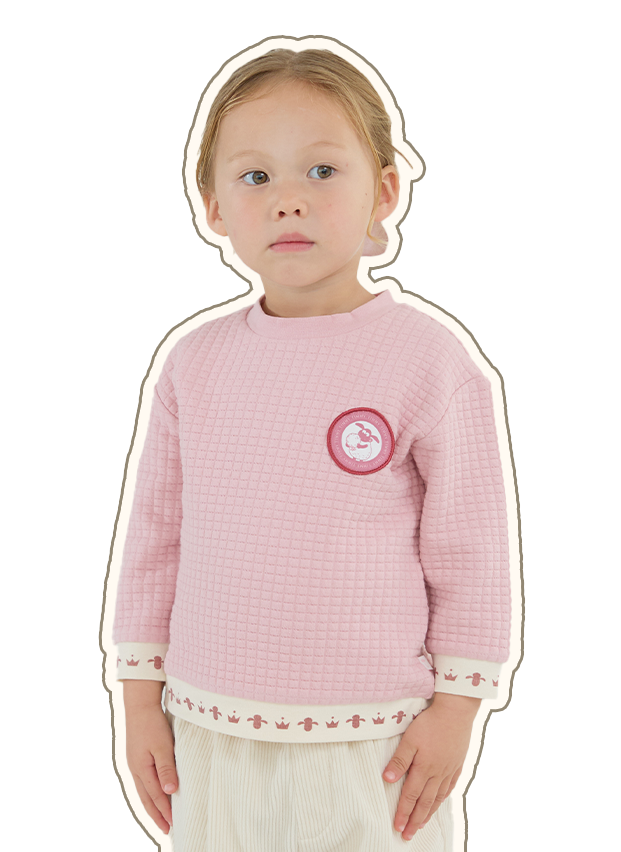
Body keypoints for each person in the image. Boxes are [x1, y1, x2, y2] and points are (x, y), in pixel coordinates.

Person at [110, 42, 513, 852]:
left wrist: (458, 709)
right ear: (213, 207)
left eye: (322, 171)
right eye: (255, 176)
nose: (288, 201)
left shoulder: (429, 360)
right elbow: (153, 542)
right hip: (209, 733)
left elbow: (471, 553)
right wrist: (138, 701)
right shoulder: (193, 362)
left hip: (379, 745)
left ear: (383, 193)